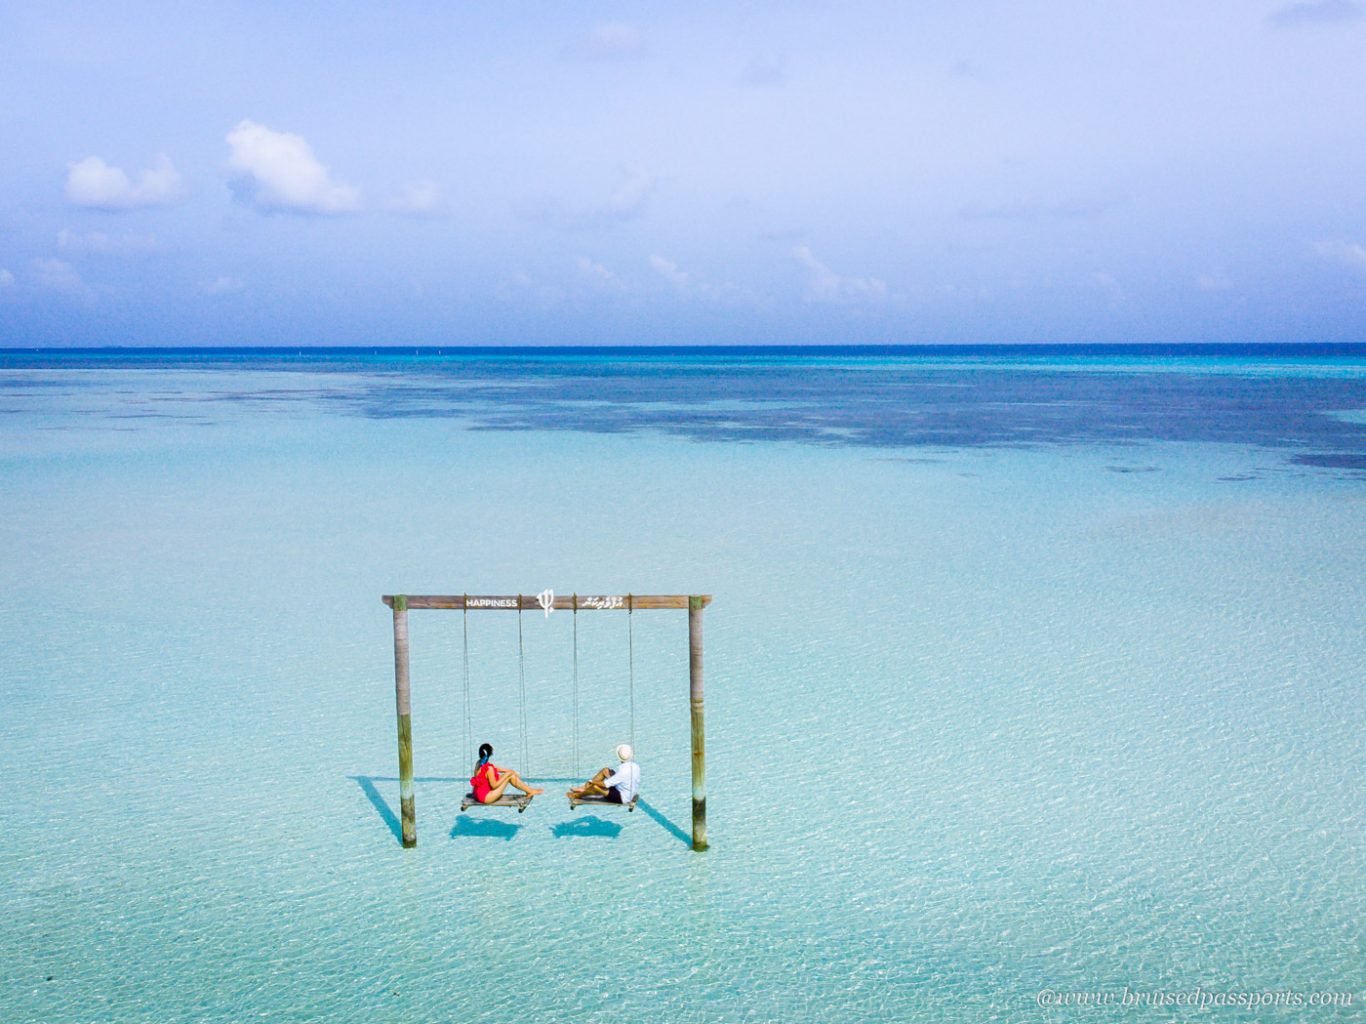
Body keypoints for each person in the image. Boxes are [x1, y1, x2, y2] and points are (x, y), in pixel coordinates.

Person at [469, 742, 543, 803]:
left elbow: (494, 768)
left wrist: (508, 770)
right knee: (510, 777)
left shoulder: (478, 763)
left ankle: (530, 791)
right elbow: (494, 785)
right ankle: (530, 791)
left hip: (477, 794)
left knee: (510, 774)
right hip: (486, 797)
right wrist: (507, 774)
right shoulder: (489, 769)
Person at [567, 744, 640, 803]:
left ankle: (577, 796)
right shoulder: (635, 766)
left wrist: (591, 781)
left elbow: (606, 784)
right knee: (605, 770)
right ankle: (583, 788)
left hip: (622, 797)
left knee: (595, 787)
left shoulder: (623, 771)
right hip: (627, 789)